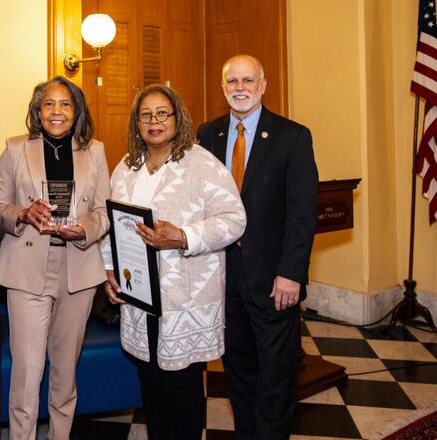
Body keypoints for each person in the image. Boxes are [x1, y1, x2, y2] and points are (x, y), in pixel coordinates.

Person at [102, 84, 246, 440]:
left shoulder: (201, 163)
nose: (154, 122)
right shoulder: (126, 166)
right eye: (145, 115)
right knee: (151, 386)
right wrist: (108, 268)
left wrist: (183, 236)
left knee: (181, 389)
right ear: (136, 123)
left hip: (186, 298)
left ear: (177, 118)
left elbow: (234, 219)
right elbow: (113, 224)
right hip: (139, 296)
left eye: (162, 113)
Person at [197, 54, 319, 440]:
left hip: (273, 282)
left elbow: (302, 215)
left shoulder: (292, 136)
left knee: (276, 376)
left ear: (263, 85)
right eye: (232, 82)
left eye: (248, 81)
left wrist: (291, 274)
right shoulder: (207, 135)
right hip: (222, 280)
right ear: (223, 88)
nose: (240, 88)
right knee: (238, 371)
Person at [0, 76, 111, 440]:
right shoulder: (14, 149)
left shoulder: (97, 151)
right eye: (49, 104)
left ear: (77, 111)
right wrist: (24, 214)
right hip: (27, 270)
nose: (57, 112)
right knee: (27, 372)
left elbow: (104, 211)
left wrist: (84, 228)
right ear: (37, 111)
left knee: (65, 373)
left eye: (65, 104)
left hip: (78, 267)